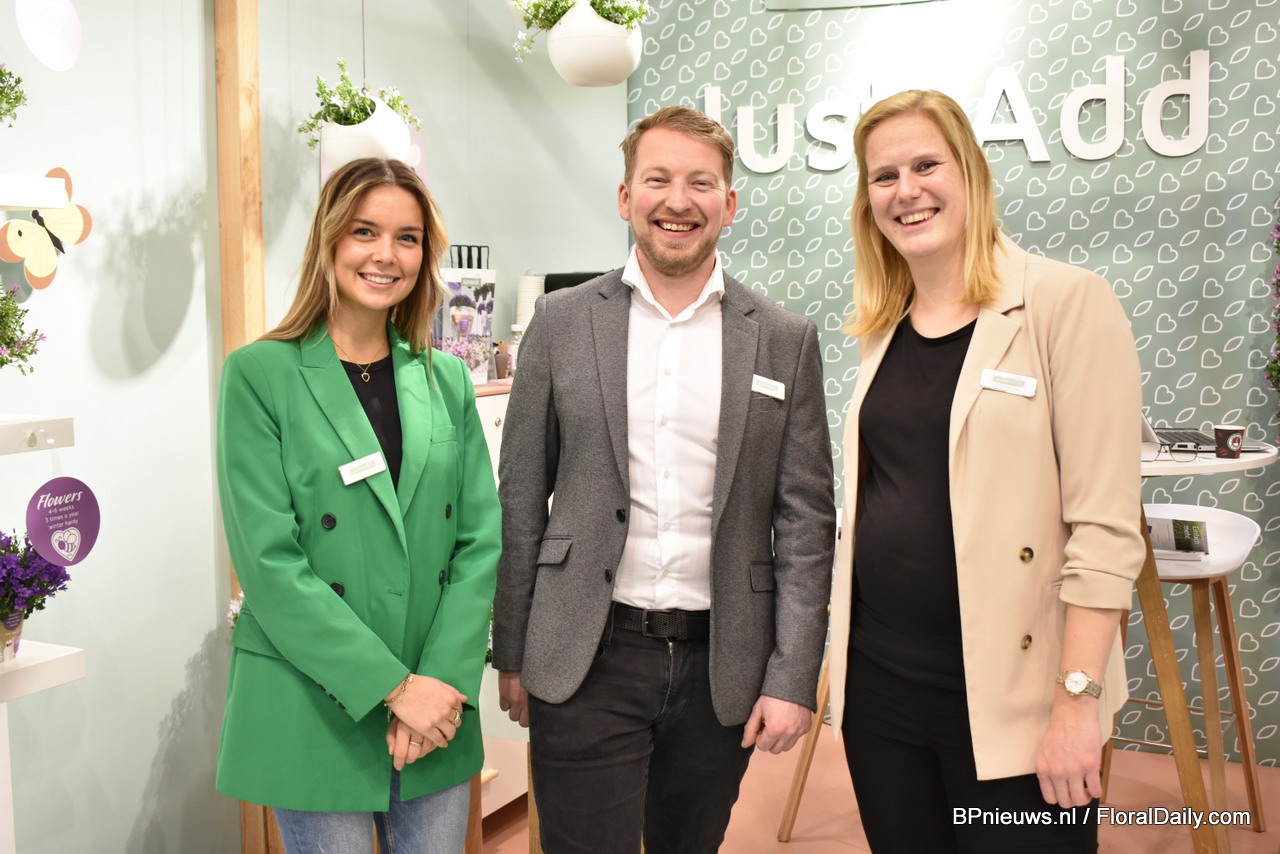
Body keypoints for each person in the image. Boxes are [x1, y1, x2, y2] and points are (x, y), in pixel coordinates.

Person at [491, 105, 836, 854]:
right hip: (587, 652)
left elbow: (807, 523)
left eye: (700, 183)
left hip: (723, 661)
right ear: (626, 197)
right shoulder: (560, 322)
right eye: (657, 180)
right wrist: (510, 650)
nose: (678, 201)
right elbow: (519, 499)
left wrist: (791, 675)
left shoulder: (784, 339)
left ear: (729, 204)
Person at [828, 89, 1146, 853]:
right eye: (883, 176)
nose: (906, 190)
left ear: (971, 171)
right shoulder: (884, 325)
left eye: (926, 165)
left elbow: (1105, 529)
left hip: (1018, 697)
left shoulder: (1066, 302)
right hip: (881, 691)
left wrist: (1076, 704)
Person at [214, 157, 500, 854]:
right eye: (365, 231)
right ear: (330, 239)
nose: (385, 255)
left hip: (434, 704)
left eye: (408, 238)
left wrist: (438, 683)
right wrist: (393, 688)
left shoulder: (446, 380)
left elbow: (478, 541)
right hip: (315, 701)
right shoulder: (260, 375)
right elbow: (270, 564)